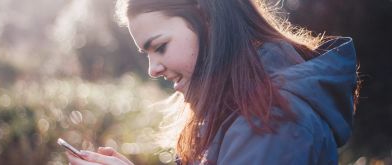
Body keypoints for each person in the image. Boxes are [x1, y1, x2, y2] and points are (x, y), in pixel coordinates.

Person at [66, 0, 359, 164]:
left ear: (206, 19)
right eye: (147, 53)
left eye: (160, 46)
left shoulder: (274, 122)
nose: (153, 69)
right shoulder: (241, 109)